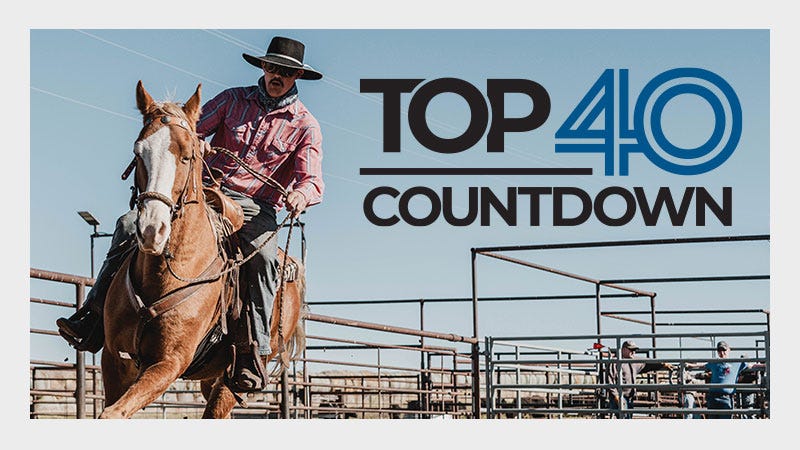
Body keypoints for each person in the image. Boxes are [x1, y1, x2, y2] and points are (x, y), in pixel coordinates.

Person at [56, 36, 325, 393]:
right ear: (263, 66)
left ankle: (252, 350)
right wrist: (193, 142)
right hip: (203, 191)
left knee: (262, 257)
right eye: (273, 66)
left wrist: (300, 195)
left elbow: (313, 181)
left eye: (286, 71)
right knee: (127, 225)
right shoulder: (231, 100)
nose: (278, 74)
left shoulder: (305, 125)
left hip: (255, 205)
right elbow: (187, 130)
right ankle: (92, 315)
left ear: (296, 77)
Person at [602, 340, 674, 418]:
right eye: (631, 350)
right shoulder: (615, 362)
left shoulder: (635, 361)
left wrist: (662, 365)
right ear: (623, 349)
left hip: (629, 397)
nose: (633, 352)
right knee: (624, 418)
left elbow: (648, 363)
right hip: (620, 397)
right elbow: (610, 380)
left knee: (628, 417)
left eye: (635, 350)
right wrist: (617, 397)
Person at [688, 341, 749, 419]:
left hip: (726, 398)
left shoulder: (736, 363)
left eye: (724, 350)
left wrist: (765, 364)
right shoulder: (714, 362)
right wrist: (690, 365)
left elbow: (751, 365)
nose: (722, 353)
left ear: (729, 350)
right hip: (713, 396)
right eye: (719, 351)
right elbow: (702, 365)